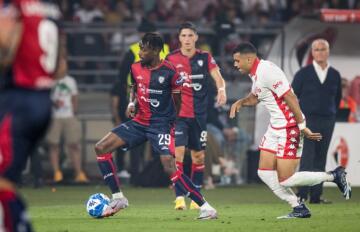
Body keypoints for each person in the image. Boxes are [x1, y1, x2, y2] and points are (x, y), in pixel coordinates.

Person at [94, 32, 217, 220]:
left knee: (169, 166)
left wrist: (171, 125)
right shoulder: (135, 67)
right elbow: (134, 87)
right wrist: (131, 103)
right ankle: (118, 198)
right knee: (101, 147)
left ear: (157, 50)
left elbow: (177, 102)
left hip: (161, 125)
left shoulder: (170, 72)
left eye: (145, 49)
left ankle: (206, 207)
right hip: (139, 123)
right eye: (141, 47)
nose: (141, 52)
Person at [229, 42, 351, 219]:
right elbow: (257, 97)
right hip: (275, 127)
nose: (235, 64)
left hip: (289, 126)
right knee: (263, 172)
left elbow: (290, 96)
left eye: (237, 61)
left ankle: (334, 176)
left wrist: (301, 126)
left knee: (285, 179)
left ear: (249, 58)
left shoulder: (267, 71)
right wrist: (241, 102)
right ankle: (298, 207)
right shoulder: (255, 73)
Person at [0, 0, 61, 230]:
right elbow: (58, 64)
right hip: (42, 99)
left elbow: (6, 43)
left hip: (19, 100)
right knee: (8, 181)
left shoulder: (16, 5)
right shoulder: (50, 7)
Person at [166, 22, 227, 210]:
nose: (187, 40)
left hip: (199, 115)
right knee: (179, 154)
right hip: (178, 116)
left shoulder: (205, 57)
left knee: (198, 156)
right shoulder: (171, 58)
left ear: (196, 37)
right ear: (179, 38)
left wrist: (222, 90)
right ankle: (178, 198)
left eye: (190, 36)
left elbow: (217, 76)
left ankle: (195, 197)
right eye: (183, 36)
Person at [113, 18, 169, 185]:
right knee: (149, 141)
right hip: (149, 102)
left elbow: (123, 78)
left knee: (141, 141)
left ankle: (146, 177)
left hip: (150, 101)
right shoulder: (164, 49)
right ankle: (149, 177)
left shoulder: (133, 51)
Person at [292, 39, 342, 204]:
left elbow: (337, 99)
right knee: (307, 158)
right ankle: (301, 195)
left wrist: (331, 115)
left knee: (321, 158)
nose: (319, 52)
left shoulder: (335, 74)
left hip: (327, 121)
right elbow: (292, 97)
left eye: (323, 49)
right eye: (316, 49)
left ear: (328, 51)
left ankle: (315, 197)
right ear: (312, 52)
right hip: (308, 121)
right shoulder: (303, 74)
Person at [46, 57, 89, 183]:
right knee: (53, 145)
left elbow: (75, 97)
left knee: (74, 144)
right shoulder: (49, 80)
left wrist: (74, 112)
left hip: (69, 116)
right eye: (60, 65)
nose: (63, 67)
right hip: (54, 117)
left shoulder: (70, 81)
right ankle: (56, 172)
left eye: (64, 65)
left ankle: (79, 173)